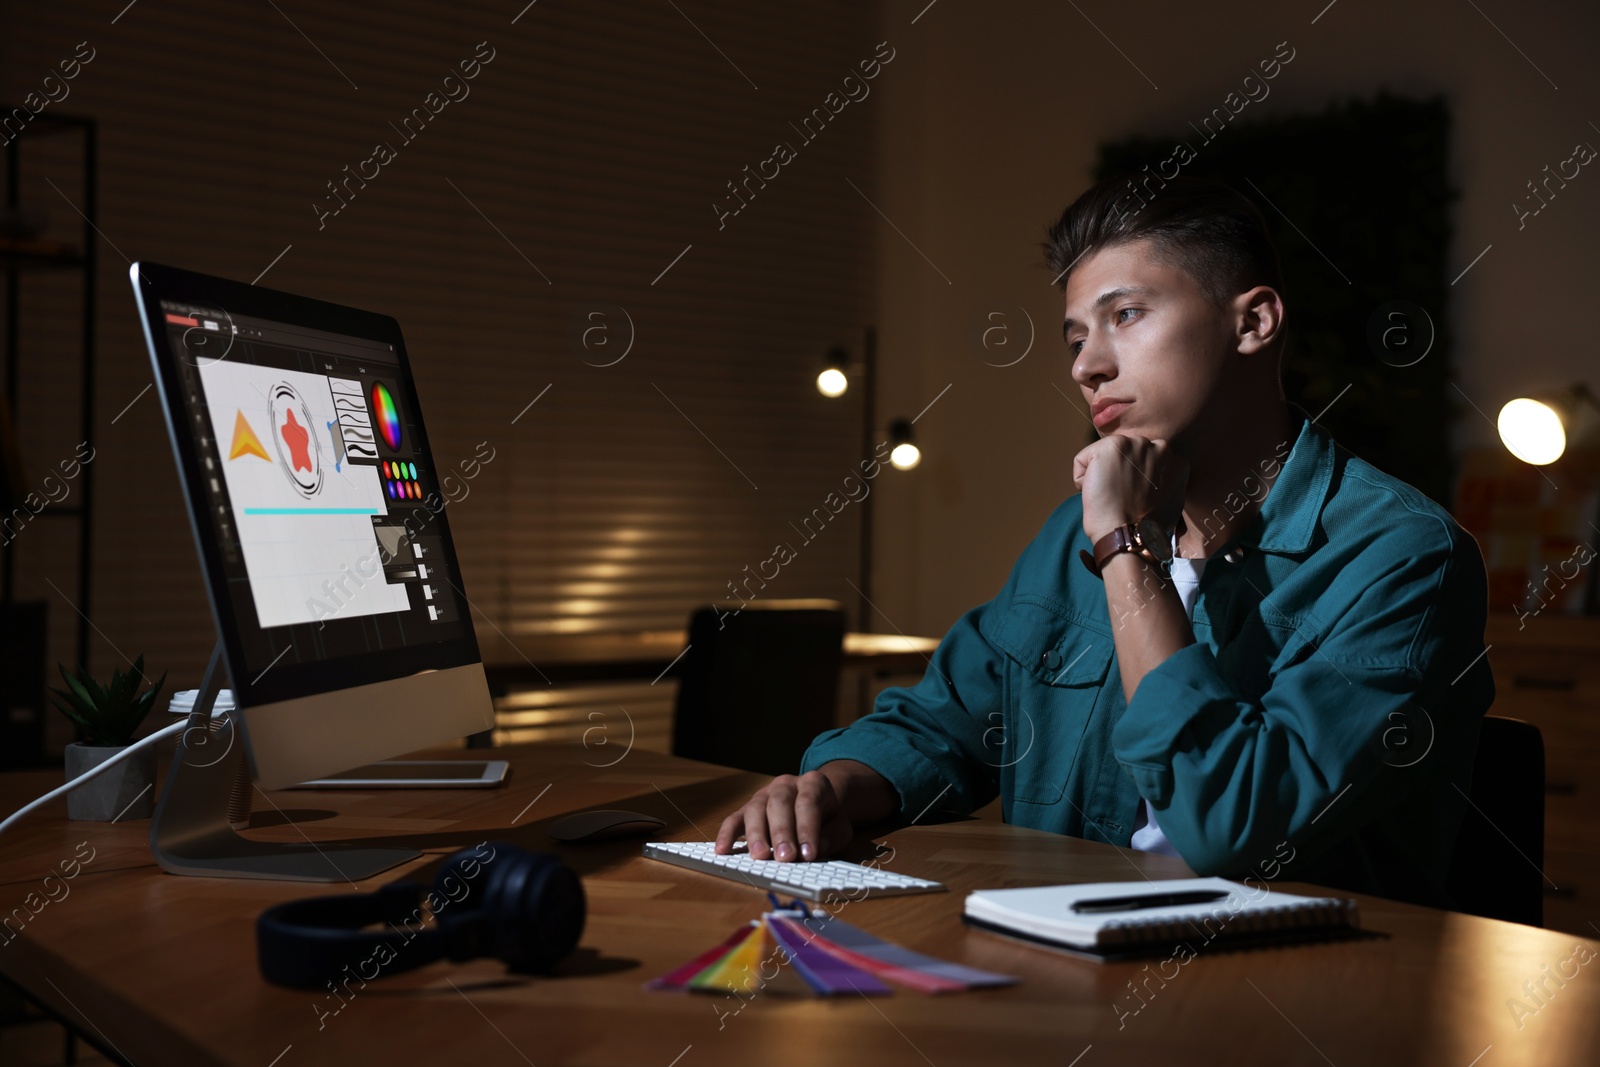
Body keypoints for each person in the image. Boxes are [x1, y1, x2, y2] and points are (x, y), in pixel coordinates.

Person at [715, 174, 1495, 907]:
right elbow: (943, 721)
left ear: (1253, 322)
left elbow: (1231, 823)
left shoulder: (1404, 556)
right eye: (1075, 337)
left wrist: (1125, 547)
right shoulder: (1074, 534)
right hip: (1061, 974)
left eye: (1126, 315)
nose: (1087, 365)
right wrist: (830, 785)